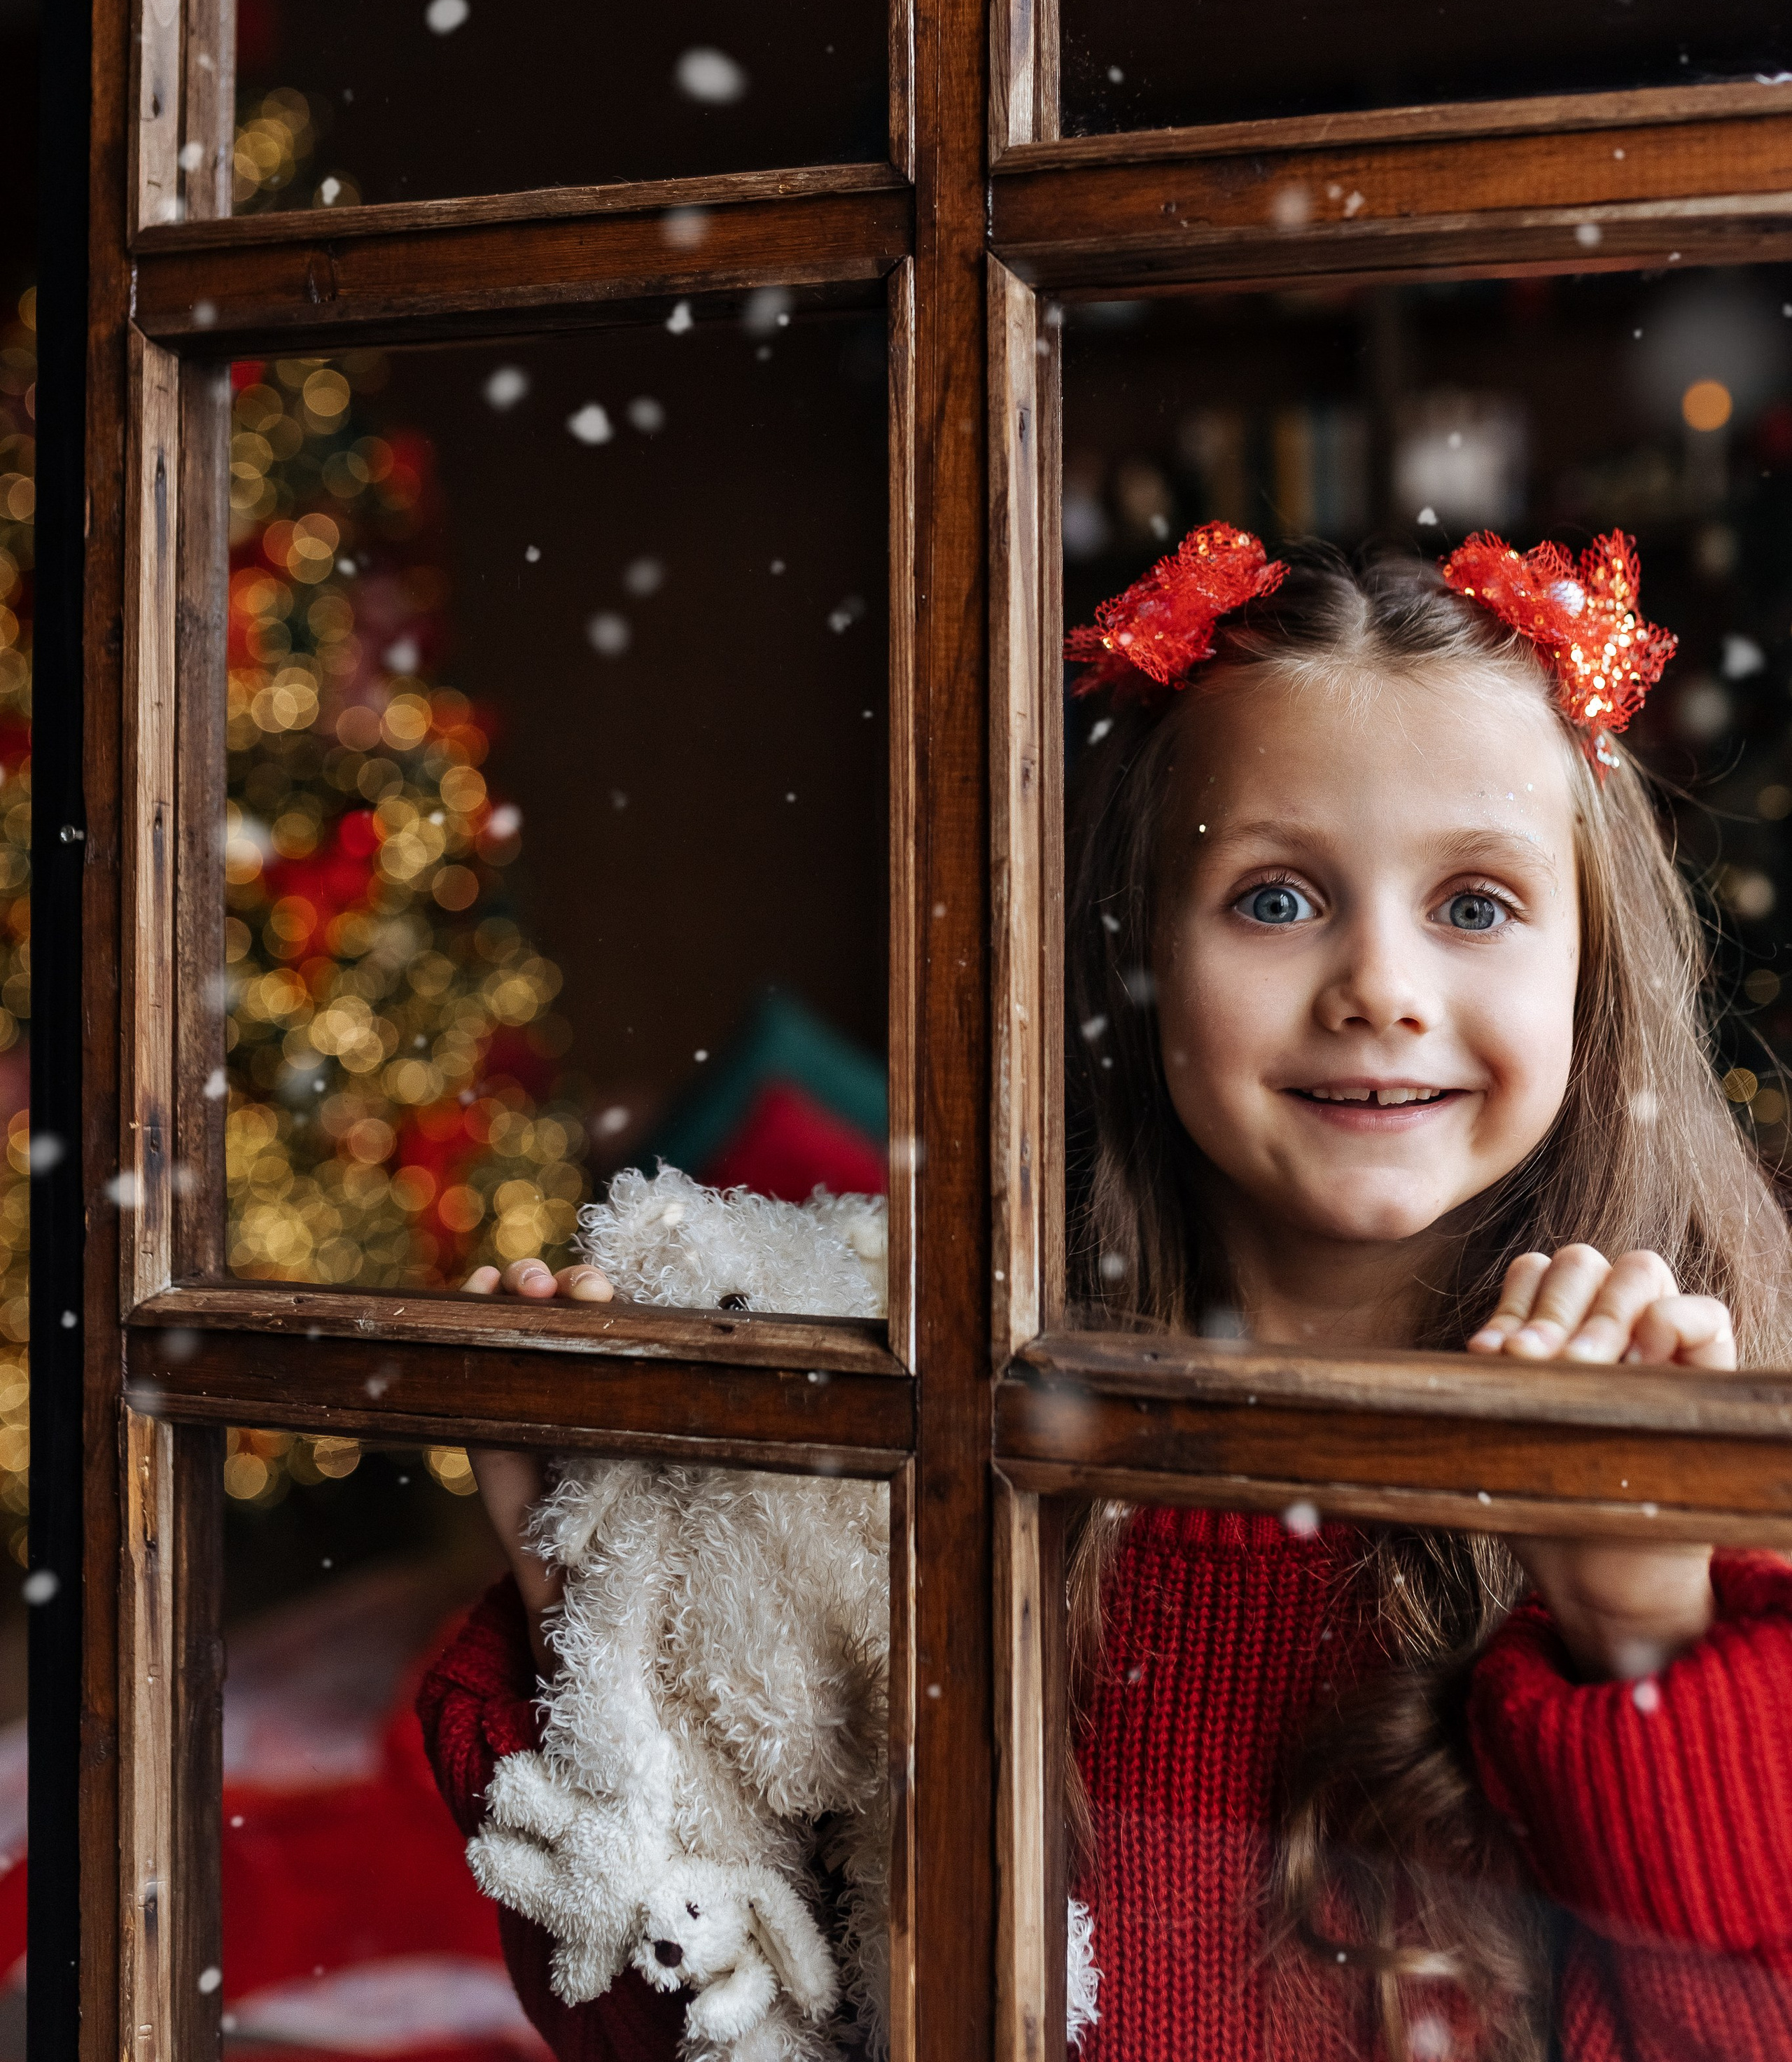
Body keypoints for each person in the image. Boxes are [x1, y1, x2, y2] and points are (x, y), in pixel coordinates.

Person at [417, 526, 1792, 2062]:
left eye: (1474, 905)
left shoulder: (1703, 1466)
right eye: (1276, 900)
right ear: (1136, 949)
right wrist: (594, 1618)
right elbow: (700, 2023)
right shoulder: (947, 1445)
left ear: (1594, 966)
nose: (1381, 989)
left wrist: (1639, 1630)